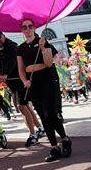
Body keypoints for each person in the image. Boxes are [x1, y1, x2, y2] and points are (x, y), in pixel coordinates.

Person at [0, 30, 45, 147]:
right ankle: (40, 128)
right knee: (25, 106)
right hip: (12, 82)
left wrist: (6, 73)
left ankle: (33, 135)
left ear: (4, 36)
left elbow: (13, 62)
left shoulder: (12, 47)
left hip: (19, 80)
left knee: (21, 106)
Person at [17, 18, 72, 162]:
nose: (27, 29)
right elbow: (21, 70)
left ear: (34, 28)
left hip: (47, 82)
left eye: (30, 26)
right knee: (42, 115)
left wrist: (42, 48)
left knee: (50, 114)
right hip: (33, 85)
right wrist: (25, 81)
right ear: (21, 30)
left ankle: (65, 139)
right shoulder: (20, 48)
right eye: (24, 27)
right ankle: (54, 147)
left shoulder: (43, 41)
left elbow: (49, 63)